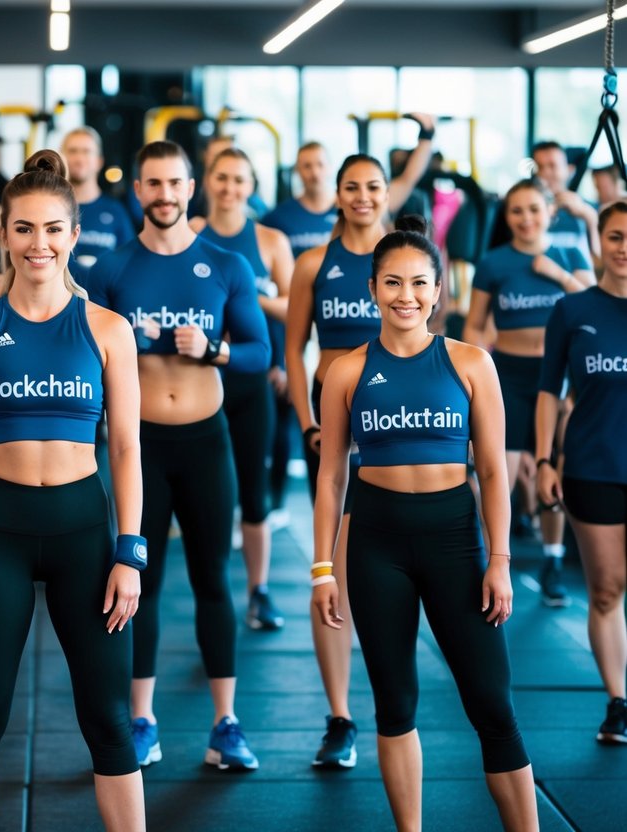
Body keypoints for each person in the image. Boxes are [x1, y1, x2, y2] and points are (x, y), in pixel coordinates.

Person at [0, 148, 145, 832]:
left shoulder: (107, 330)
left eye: (52, 228)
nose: (38, 243)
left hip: (83, 531)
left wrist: (130, 553)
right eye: (24, 228)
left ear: (73, 233)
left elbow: (124, 447)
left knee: (109, 719)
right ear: (3, 234)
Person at [314, 215, 538, 831]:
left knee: (493, 706)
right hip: (376, 542)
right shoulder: (347, 371)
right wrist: (323, 569)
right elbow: (331, 477)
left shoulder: (471, 363)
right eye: (392, 283)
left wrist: (500, 561)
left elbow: (493, 472)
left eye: (418, 283)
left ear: (439, 290)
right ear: (372, 289)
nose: (405, 296)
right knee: (394, 705)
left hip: (454, 540)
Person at [84, 140, 271, 771]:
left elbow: (259, 353)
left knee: (214, 580)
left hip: (204, 439)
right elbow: (84, 357)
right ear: (137, 190)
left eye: (175, 184)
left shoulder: (225, 265)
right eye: (153, 184)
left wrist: (212, 349)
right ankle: (142, 719)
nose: (165, 195)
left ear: (191, 190)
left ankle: (226, 723)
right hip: (140, 446)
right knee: (142, 583)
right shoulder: (112, 270)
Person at [285, 152, 393, 769]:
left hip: (391, 434)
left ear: (385, 192)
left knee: (375, 573)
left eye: (372, 187)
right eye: (351, 187)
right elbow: (293, 350)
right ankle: (340, 716)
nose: (362, 196)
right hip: (334, 437)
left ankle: (389, 706)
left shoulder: (404, 262)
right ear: (337, 193)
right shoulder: (313, 264)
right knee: (331, 572)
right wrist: (307, 422)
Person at [461, 179, 594, 606]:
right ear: (507, 217)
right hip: (509, 378)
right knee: (495, 474)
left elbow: (598, 306)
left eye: (534, 209)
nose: (525, 219)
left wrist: (556, 274)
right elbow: (475, 327)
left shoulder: (570, 256)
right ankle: (487, 560)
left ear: (550, 213)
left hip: (560, 378)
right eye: (516, 211)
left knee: (551, 472)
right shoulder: (494, 263)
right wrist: (472, 378)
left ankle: (553, 559)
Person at [191, 147, 294, 630]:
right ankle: (214, 597)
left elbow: (296, 312)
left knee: (254, 495)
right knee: (207, 500)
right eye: (223, 178)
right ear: (208, 182)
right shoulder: (189, 234)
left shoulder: (270, 240)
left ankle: (259, 591)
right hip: (200, 382)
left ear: (252, 186)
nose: (231, 188)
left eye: (240, 179)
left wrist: (282, 361)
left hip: (254, 378)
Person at [536, 199, 627, 745]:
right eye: (615, 236)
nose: (624, 247)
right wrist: (546, 458)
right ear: (600, 241)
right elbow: (550, 390)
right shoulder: (573, 311)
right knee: (606, 589)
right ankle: (618, 700)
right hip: (593, 466)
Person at [61, 126, 137, 276]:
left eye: (86, 151)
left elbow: (131, 266)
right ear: (62, 158)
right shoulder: (50, 210)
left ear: (99, 161)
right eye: (73, 151)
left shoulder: (116, 211)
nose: (79, 158)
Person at [262, 141, 337, 259]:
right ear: (297, 171)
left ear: (330, 168)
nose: (315, 173)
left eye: (320, 165)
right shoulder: (277, 217)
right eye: (307, 166)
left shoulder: (349, 212)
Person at [531, 141, 599, 266]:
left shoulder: (593, 209)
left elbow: (602, 263)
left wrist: (590, 217)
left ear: (569, 169)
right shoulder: (527, 211)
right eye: (540, 167)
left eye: (552, 166)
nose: (545, 173)